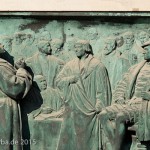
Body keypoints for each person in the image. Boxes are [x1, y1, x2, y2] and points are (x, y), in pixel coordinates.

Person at [56, 40, 111, 150]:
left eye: (78, 47)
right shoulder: (70, 65)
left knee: (88, 140)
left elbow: (102, 89)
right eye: (74, 47)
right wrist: (71, 79)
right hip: (73, 108)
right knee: (70, 139)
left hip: (90, 109)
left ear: (86, 48)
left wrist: (99, 105)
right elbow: (58, 81)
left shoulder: (97, 66)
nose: (75, 49)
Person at [98, 41, 150, 150]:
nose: (144, 51)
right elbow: (122, 84)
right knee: (103, 114)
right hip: (129, 103)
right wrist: (120, 97)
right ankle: (116, 146)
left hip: (144, 106)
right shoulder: (136, 68)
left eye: (147, 49)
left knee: (121, 117)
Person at [0, 43, 32, 150]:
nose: (2, 44)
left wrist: (15, 68)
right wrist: (22, 70)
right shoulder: (1, 67)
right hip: (4, 108)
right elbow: (16, 88)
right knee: (6, 141)